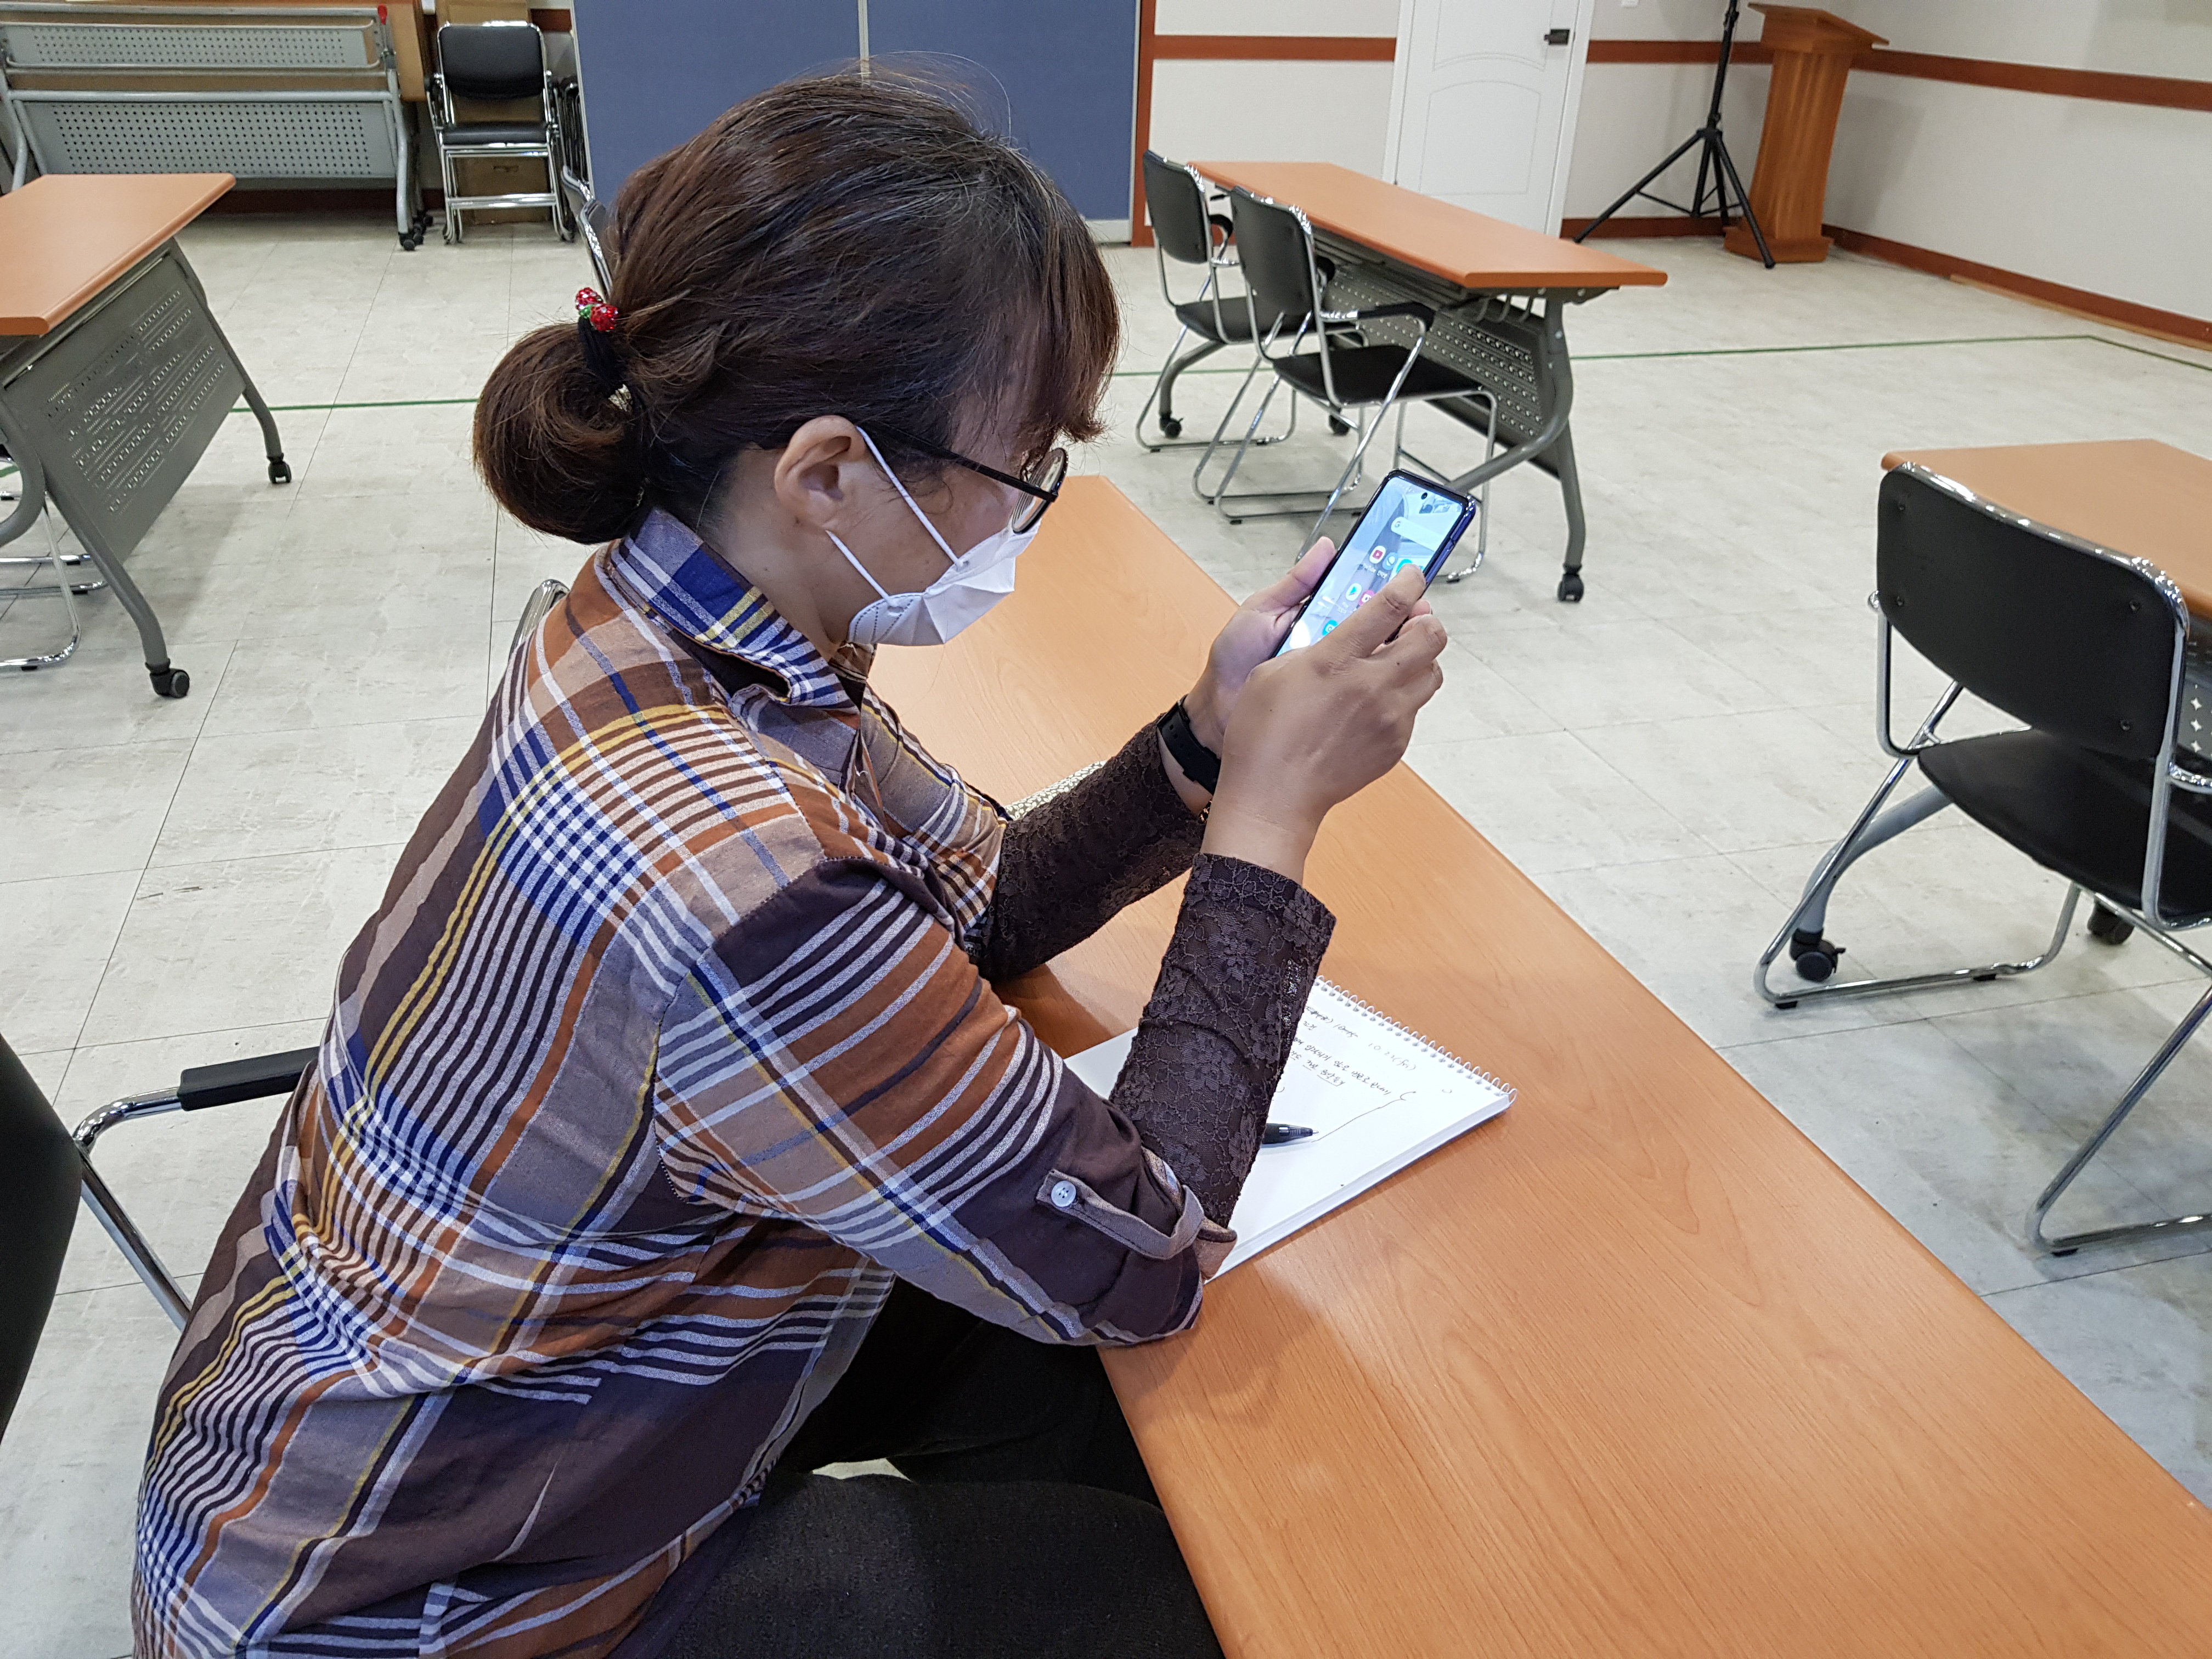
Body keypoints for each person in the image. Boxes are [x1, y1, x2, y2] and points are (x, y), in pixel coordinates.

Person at [132, 72, 1445, 1659]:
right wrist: (1271, 827)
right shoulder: (741, 871)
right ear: (827, 473)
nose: (1029, 514)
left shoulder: (666, 625)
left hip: (377, 1443)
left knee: (1111, 1420)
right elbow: (1145, 1250)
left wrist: (1207, 744)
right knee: (1185, 1596)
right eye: (1025, 466)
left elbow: (978, 898)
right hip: (423, 1604)